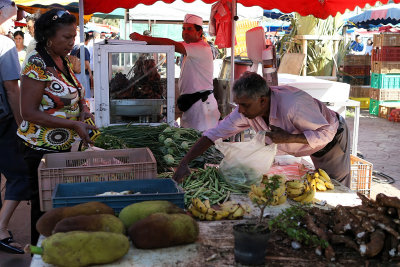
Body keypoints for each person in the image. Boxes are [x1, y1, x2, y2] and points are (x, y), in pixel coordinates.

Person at [173, 72, 351, 188]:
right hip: (311, 147)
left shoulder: (293, 105)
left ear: (263, 101)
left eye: (245, 105)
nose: (240, 110)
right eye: (238, 104)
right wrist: (184, 163)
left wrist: (287, 138)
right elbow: (213, 134)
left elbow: (326, 133)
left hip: (332, 143)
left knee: (336, 190)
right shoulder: (245, 112)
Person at [17, 8, 97, 244]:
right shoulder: (36, 63)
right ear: (49, 37)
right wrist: (72, 125)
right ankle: (40, 253)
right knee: (44, 210)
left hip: (66, 148)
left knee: (62, 206)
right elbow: (28, 112)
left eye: (74, 37)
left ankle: (60, 249)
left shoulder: (62, 60)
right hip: (41, 149)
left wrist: (83, 110)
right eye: (66, 37)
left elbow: (73, 93)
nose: (72, 42)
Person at [130, 14, 220, 132]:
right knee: (189, 141)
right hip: (191, 104)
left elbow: (171, 44)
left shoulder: (201, 47)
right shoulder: (189, 46)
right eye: (183, 29)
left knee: (202, 142)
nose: (185, 32)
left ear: (199, 32)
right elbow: (166, 43)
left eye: (189, 29)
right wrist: (146, 41)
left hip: (202, 107)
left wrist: (144, 38)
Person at [0, 0, 30, 254]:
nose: (15, 23)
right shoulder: (5, 44)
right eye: (11, 17)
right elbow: (12, 88)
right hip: (2, 122)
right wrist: (22, 126)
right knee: (21, 175)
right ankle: (0, 229)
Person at [71, 32, 93, 98]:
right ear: (87, 40)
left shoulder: (75, 48)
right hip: (82, 74)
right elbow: (86, 62)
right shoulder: (84, 49)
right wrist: (90, 73)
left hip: (75, 73)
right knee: (85, 93)